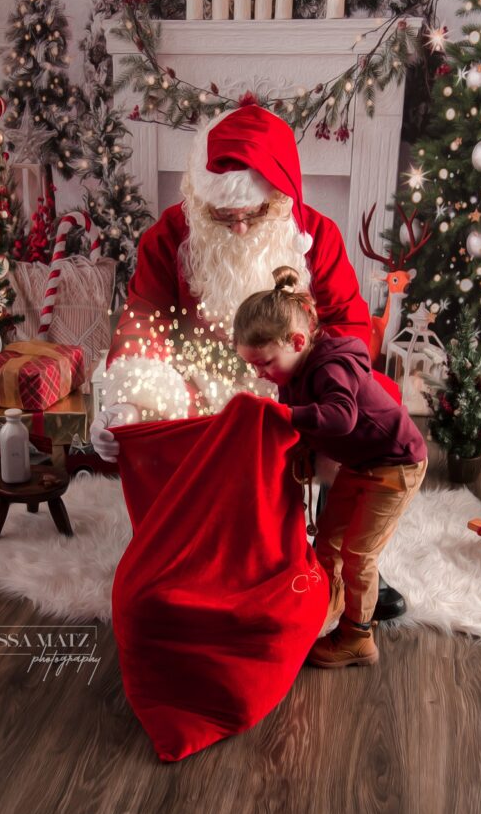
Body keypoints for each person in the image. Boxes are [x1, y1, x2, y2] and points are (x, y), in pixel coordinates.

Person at [90, 101, 407, 619]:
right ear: (198, 198)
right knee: (148, 408)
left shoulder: (315, 237)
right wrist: (124, 403)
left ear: (278, 200)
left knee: (372, 411)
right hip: (201, 379)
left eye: (252, 214)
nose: (238, 229)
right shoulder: (170, 237)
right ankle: (183, 561)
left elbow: (350, 325)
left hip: (294, 383)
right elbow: (141, 324)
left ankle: (349, 559)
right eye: (223, 215)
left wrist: (326, 385)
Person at [233, 266, 428, 668]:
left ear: (297, 341)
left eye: (265, 363)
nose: (260, 374)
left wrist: (285, 415)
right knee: (329, 544)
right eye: (253, 366)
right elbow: (310, 421)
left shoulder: (331, 366)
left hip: (396, 463)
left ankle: (359, 638)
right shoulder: (292, 371)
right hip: (361, 462)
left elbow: (340, 418)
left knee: (359, 554)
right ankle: (330, 613)